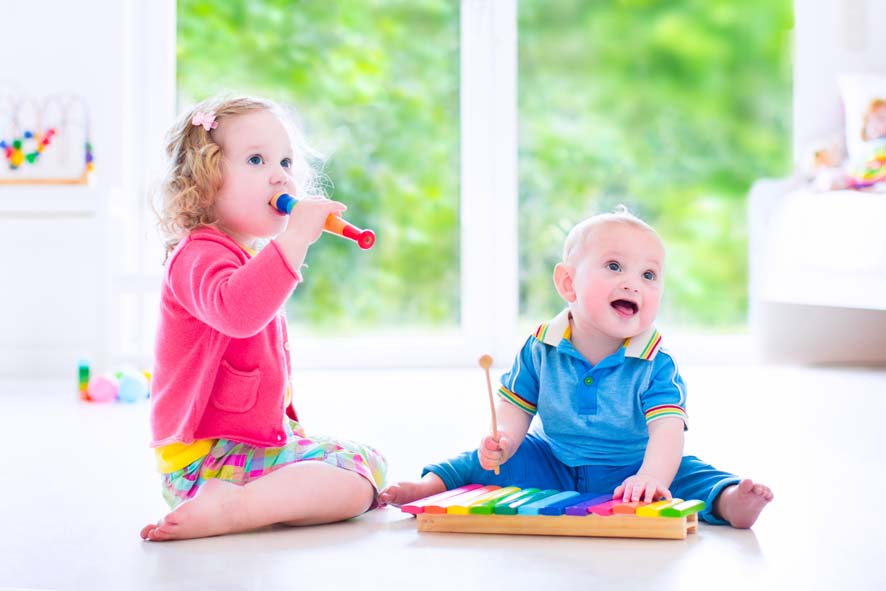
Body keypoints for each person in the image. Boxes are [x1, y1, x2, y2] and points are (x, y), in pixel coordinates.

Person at [380, 207, 772, 528]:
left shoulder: (655, 361)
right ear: (568, 284)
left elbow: (667, 432)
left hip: (632, 468)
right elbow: (516, 407)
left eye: (649, 275)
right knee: (477, 461)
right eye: (615, 267)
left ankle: (731, 502)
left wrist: (652, 478)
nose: (633, 284)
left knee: (691, 475)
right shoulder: (540, 347)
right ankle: (428, 486)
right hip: (555, 460)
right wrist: (504, 442)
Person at [140, 95, 387, 541]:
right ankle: (235, 507)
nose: (280, 175)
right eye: (256, 160)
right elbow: (239, 312)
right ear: (205, 180)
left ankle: (250, 499)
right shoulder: (196, 254)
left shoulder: (239, 252)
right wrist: (295, 239)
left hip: (240, 448)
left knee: (367, 462)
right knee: (354, 478)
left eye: (287, 161)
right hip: (202, 462)